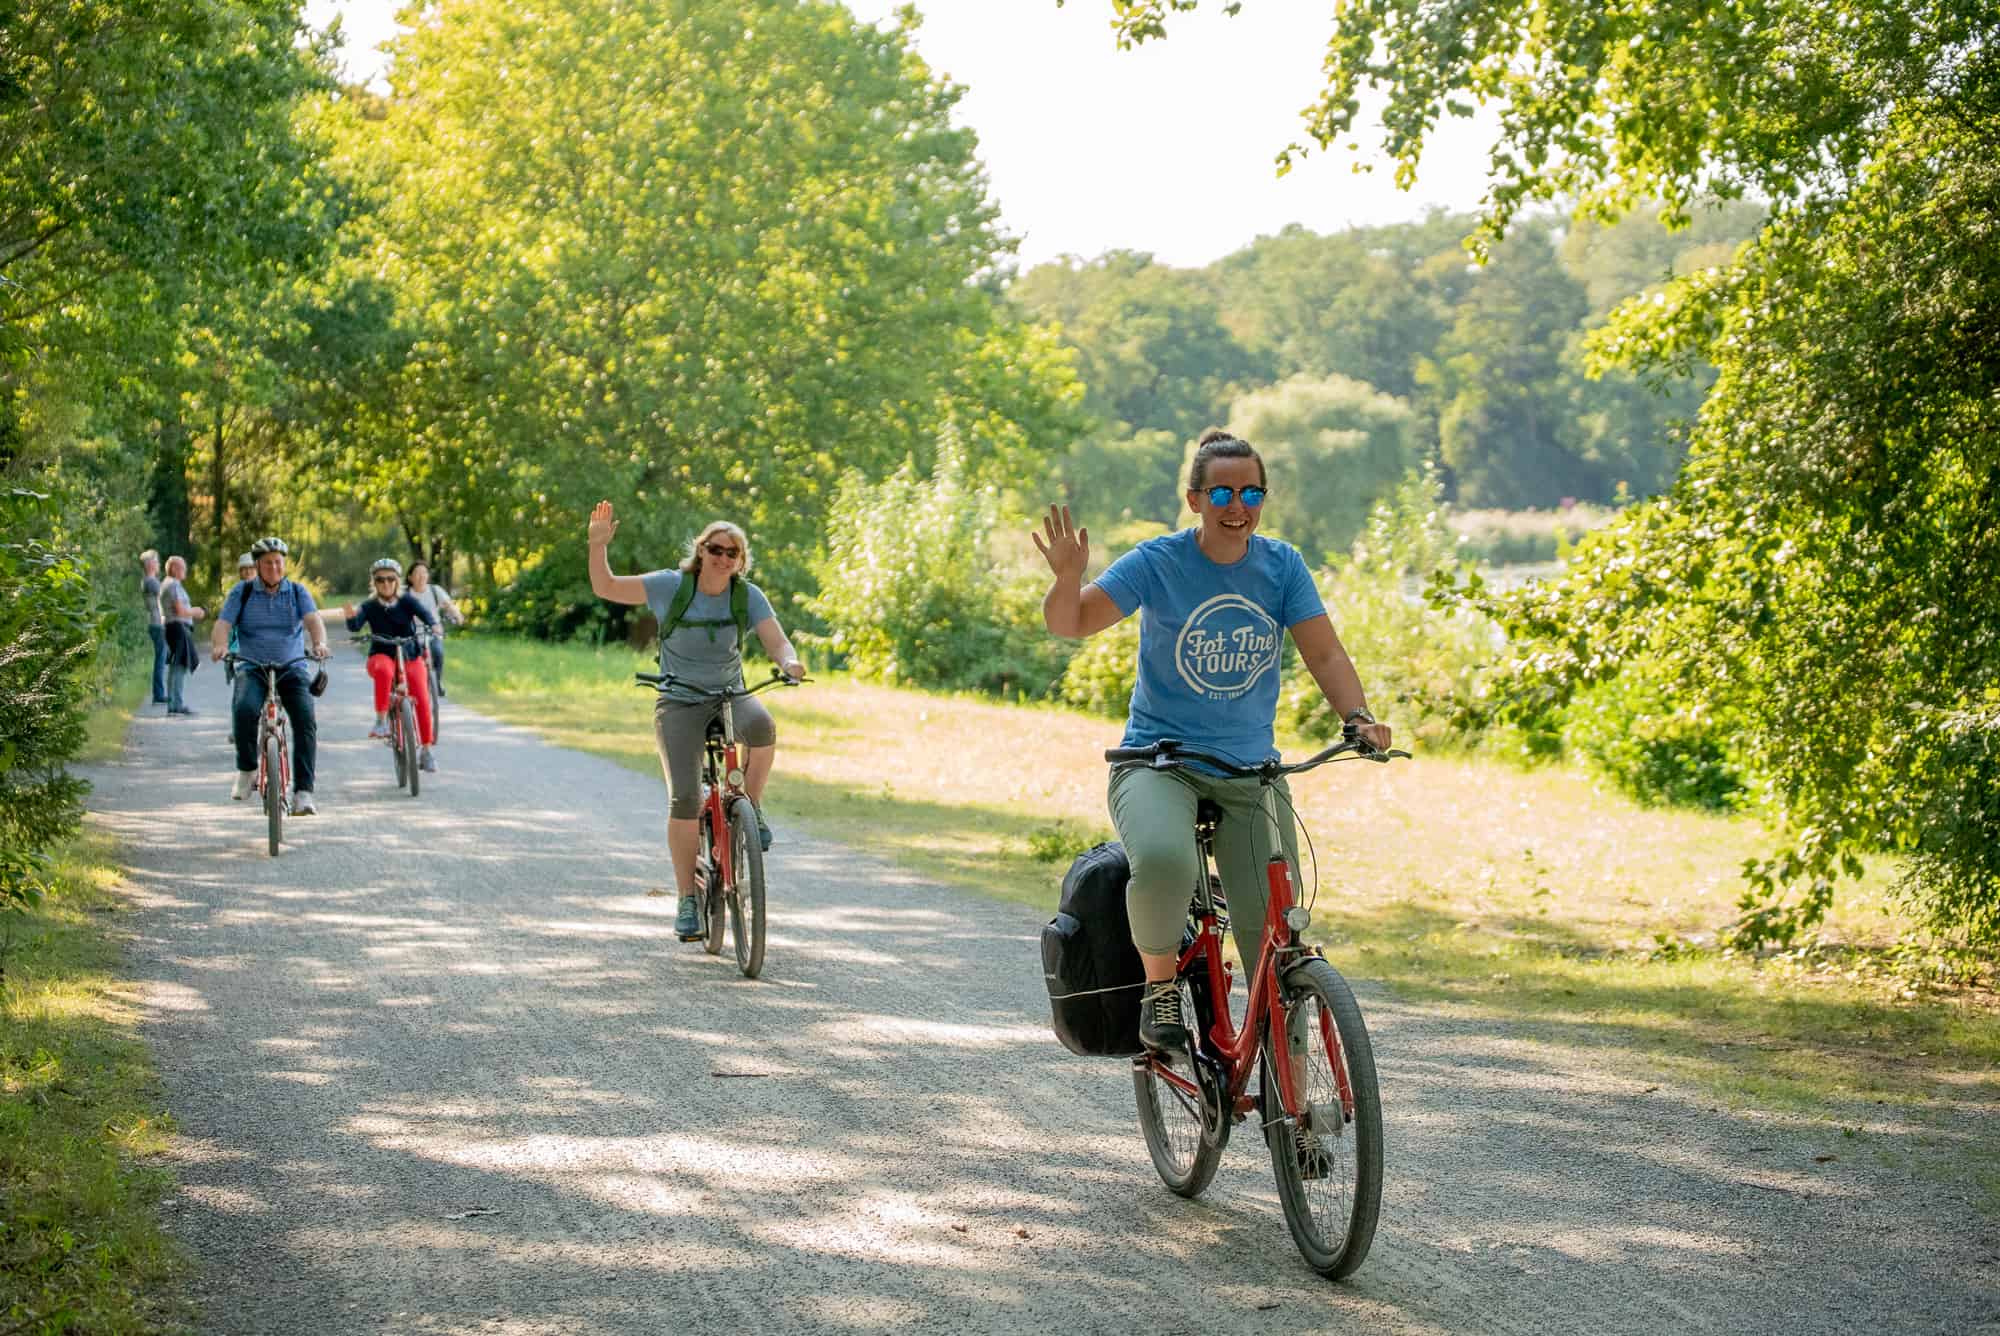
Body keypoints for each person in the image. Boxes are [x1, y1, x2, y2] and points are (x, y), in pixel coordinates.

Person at [1033, 428, 1393, 1054]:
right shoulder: (1159, 561)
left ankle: (1298, 1102)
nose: (1238, 505)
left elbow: (1325, 653)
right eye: (1222, 491)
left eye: (1251, 491)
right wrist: (1067, 578)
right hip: (1158, 763)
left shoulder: (1281, 566)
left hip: (1250, 771)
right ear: (1195, 499)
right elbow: (1072, 621)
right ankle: (1161, 988)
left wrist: (1358, 716)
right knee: (1167, 862)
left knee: (1274, 942)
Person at [586, 500, 806, 940]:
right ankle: (687, 898)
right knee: (685, 798)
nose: (724, 558)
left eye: (733, 553)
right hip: (679, 699)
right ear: (701, 551)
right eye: (716, 549)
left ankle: (751, 808)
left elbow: (777, 642)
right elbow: (606, 586)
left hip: (730, 695)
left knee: (762, 727)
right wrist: (597, 546)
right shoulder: (671, 587)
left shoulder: (747, 595)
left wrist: (790, 662)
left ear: (740, 560)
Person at [211, 537, 332, 813]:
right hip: (252, 666)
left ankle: (303, 792)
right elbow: (223, 624)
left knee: (305, 719)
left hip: (291, 667)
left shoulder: (298, 592)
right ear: (257, 565)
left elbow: (314, 621)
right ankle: (247, 769)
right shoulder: (241, 593)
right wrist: (219, 644)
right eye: (268, 563)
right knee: (243, 708)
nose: (274, 567)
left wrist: (320, 643)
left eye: (278, 562)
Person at [341, 558, 440, 772]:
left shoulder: (407, 602)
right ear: (374, 583)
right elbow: (356, 626)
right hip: (381, 654)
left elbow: (427, 616)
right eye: (380, 580)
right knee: (385, 670)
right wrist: (350, 618)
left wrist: (435, 625)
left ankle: (426, 749)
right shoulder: (369, 605)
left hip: (410, 655)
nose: (385, 584)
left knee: (421, 695)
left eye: (390, 579)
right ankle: (381, 720)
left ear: (397, 581)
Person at [403, 561, 464, 696]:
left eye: (424, 573)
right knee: (408, 659)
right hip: (411, 634)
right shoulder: (405, 594)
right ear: (410, 577)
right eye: (417, 573)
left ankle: (437, 682)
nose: (421, 576)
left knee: (437, 651)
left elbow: (449, 605)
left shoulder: (435, 590)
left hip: (432, 632)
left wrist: (458, 615)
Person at [158, 555, 206, 716]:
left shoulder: (168, 584)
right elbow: (180, 610)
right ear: (174, 569)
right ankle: (176, 704)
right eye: (182, 567)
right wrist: (196, 611)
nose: (185, 570)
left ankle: (174, 703)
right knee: (179, 665)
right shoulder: (173, 585)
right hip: (177, 627)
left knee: (175, 665)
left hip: (172, 627)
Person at [141, 550, 168, 705]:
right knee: (161, 658)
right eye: (156, 562)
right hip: (157, 623)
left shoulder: (149, 581)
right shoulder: (151, 581)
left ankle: (160, 692)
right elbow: (165, 594)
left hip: (155, 623)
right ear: (150, 564)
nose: (158, 564)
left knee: (162, 657)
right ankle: (159, 694)